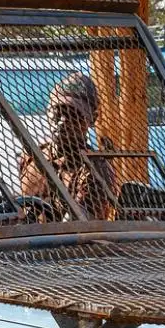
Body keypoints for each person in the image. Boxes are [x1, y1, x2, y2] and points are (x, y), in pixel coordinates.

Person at [19, 71, 119, 220]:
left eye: (73, 114)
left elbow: (77, 226)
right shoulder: (32, 156)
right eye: (58, 112)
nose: (62, 121)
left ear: (92, 119)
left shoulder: (97, 168)